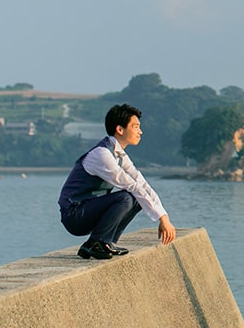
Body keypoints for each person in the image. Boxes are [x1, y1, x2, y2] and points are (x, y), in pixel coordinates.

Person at [58, 103, 176, 260]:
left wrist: (164, 216)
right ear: (120, 129)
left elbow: (142, 184)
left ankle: (106, 242)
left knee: (136, 198)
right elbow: (132, 186)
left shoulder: (120, 155)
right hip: (74, 214)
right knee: (127, 196)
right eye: (135, 127)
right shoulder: (102, 155)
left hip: (88, 210)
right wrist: (161, 219)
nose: (140, 132)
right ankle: (95, 243)